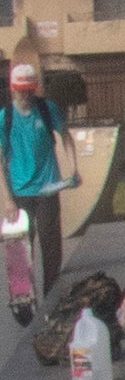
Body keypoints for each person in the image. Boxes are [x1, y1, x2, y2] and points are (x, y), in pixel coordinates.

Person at [6, 54, 75, 311]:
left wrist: (73, 168)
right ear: (13, 89)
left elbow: (65, 137)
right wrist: (6, 200)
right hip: (20, 190)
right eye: (21, 91)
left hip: (47, 188)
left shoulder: (47, 110)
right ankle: (24, 294)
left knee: (50, 242)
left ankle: (52, 294)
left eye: (29, 91)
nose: (25, 96)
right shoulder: (6, 118)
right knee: (22, 245)